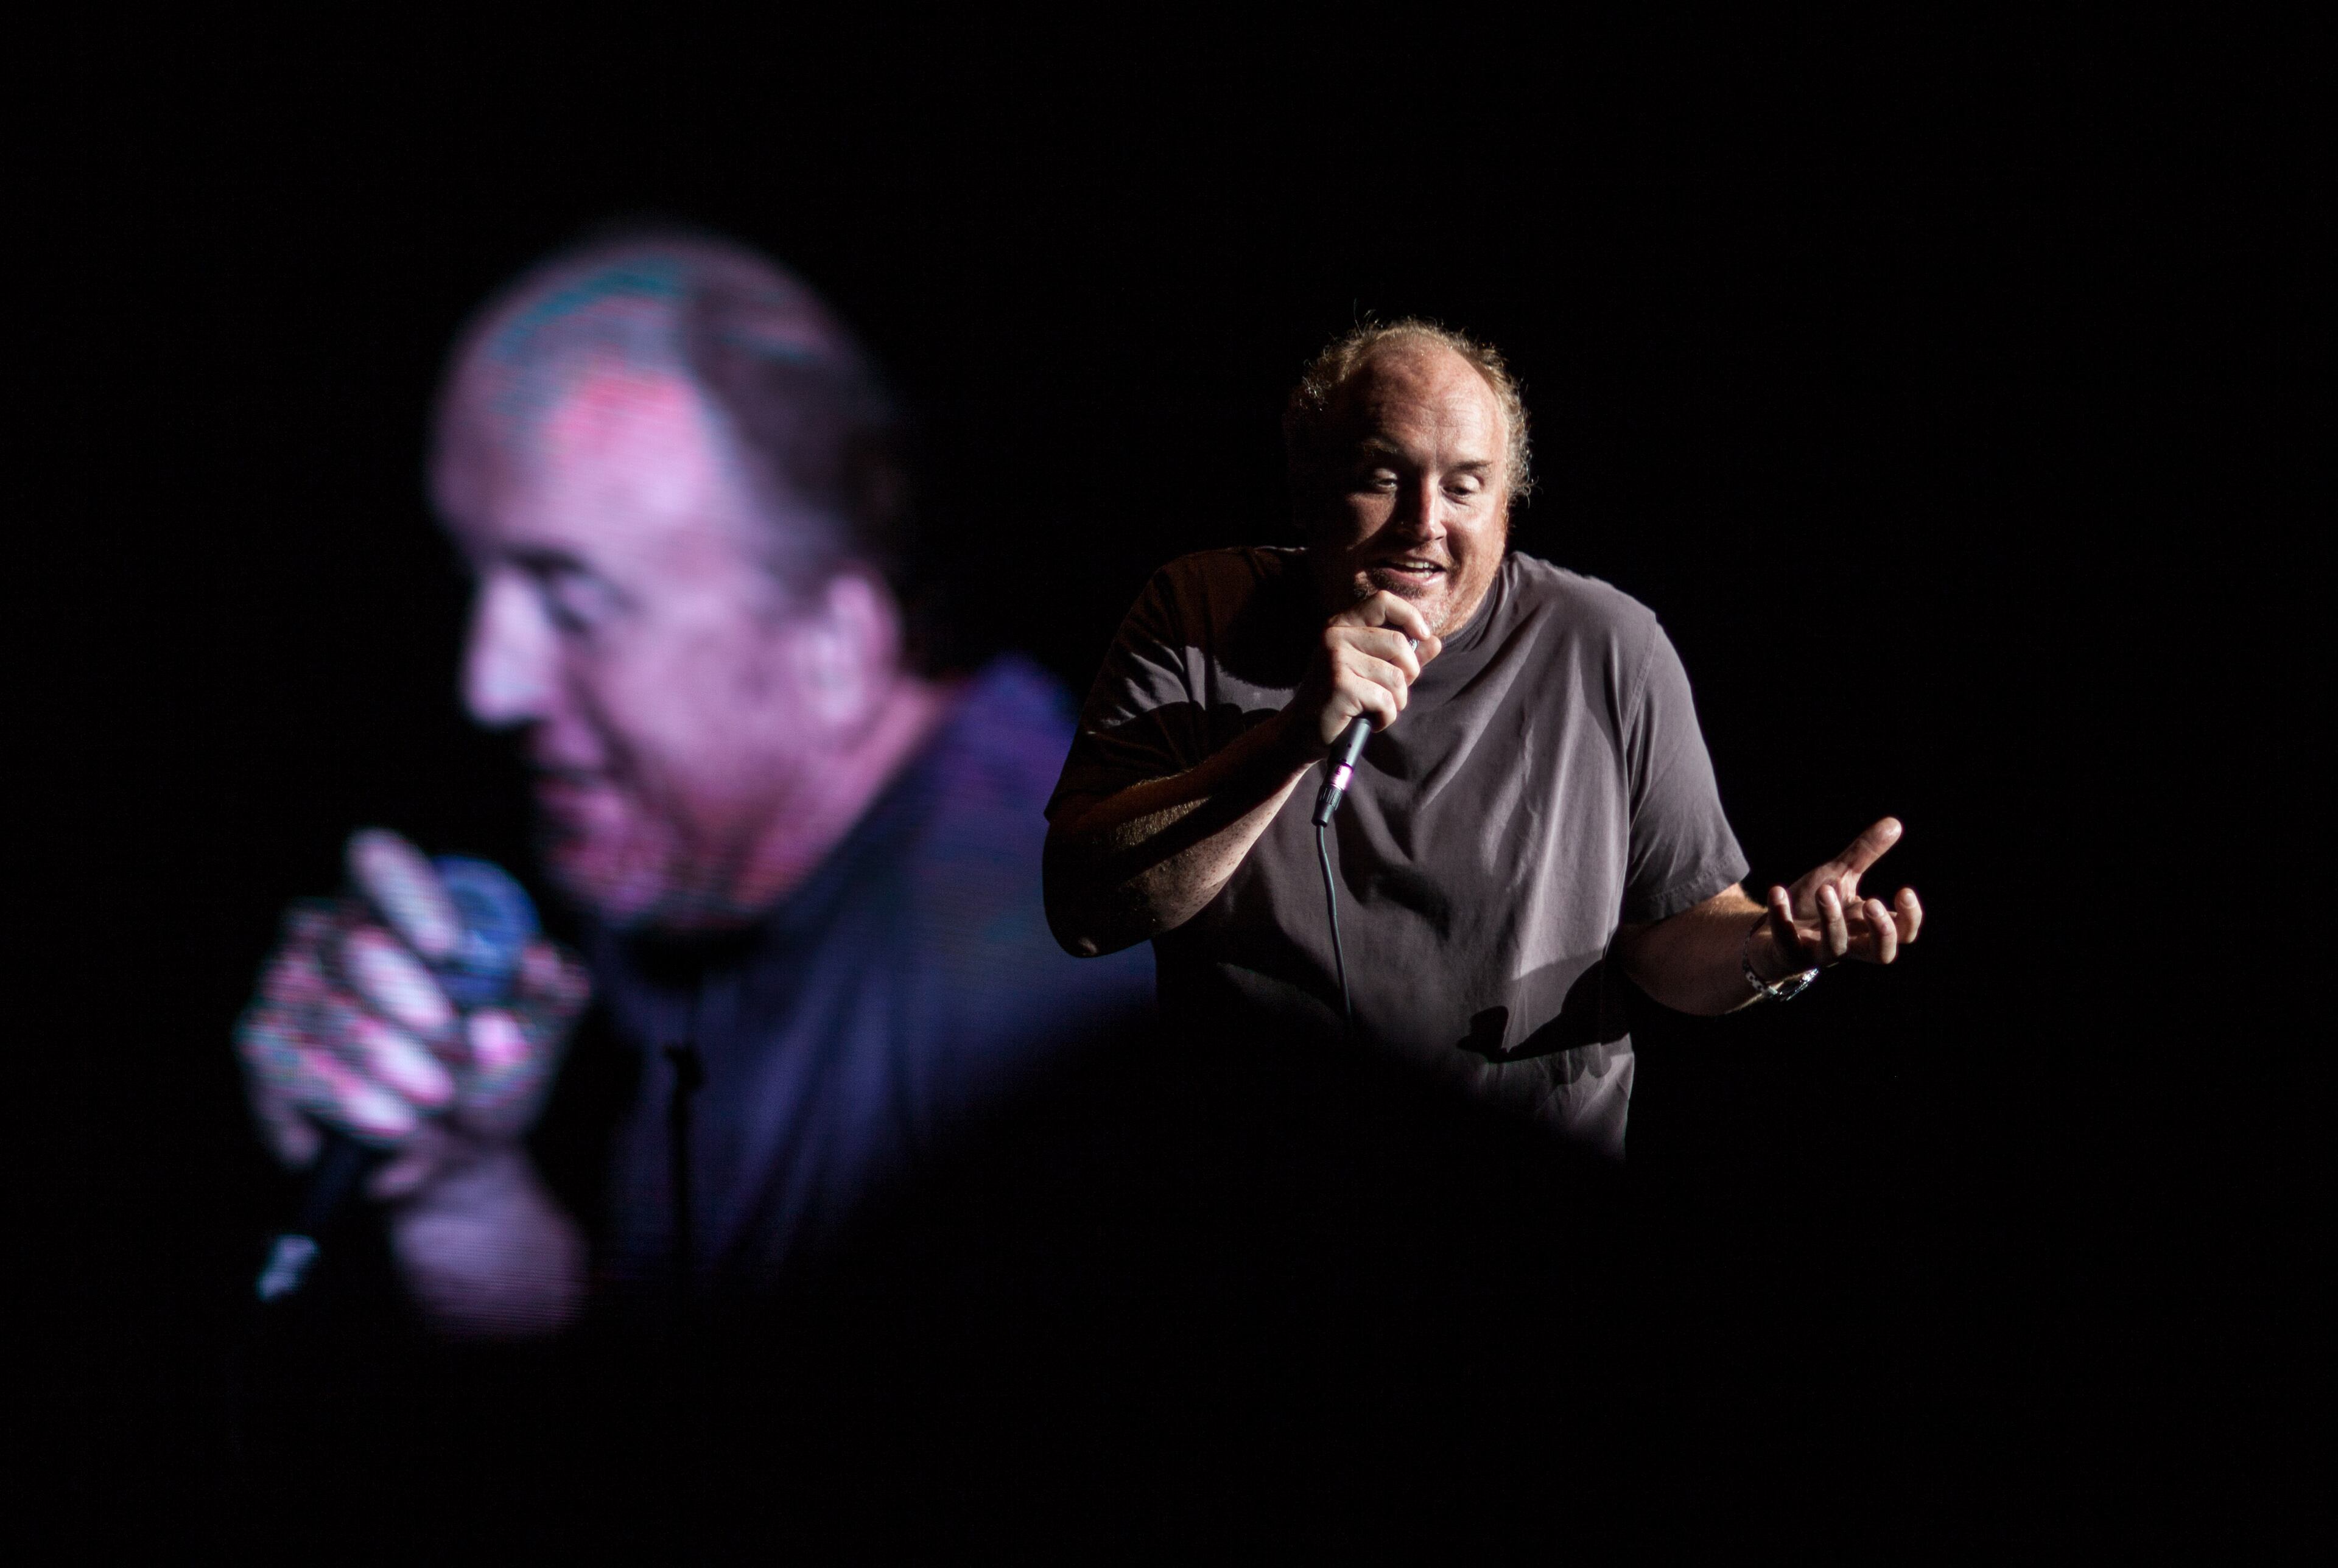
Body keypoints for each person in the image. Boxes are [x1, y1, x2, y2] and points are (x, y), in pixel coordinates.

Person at [232, 228, 1154, 1340]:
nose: (489, 683)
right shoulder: (702, 877)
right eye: (474, 581)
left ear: (833, 646)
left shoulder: (1048, 990)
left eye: (574, 603)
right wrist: (457, 1190)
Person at [1044, 319, 1922, 1158]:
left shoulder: (1607, 645)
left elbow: (1670, 939)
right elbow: (1084, 913)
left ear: (1508, 505)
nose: (1425, 521)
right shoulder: (1196, 612)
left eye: (1465, 485)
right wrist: (1289, 741)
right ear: (1309, 484)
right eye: (1383, 476)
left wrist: (1772, 948)